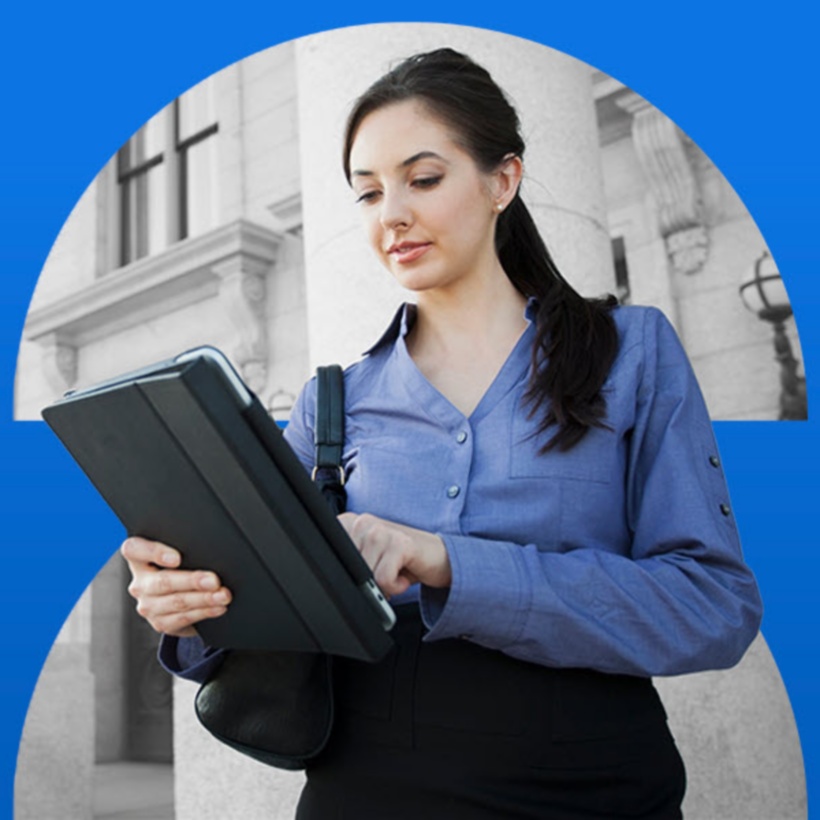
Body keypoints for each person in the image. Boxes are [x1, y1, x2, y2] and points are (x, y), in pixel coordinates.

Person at [122, 48, 763, 819]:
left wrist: (446, 561)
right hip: (368, 788)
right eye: (368, 193)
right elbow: (275, 612)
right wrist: (192, 603)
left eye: (422, 179)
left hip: (593, 786)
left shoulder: (631, 352)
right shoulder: (332, 402)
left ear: (503, 180)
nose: (391, 214)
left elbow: (713, 606)